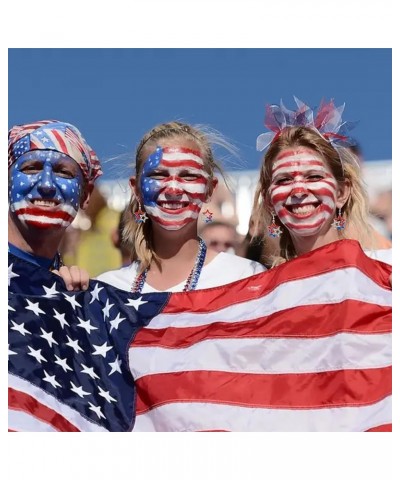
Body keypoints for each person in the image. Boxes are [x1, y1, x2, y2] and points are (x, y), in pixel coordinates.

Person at [96, 121, 266, 292]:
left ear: (209, 190)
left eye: (189, 176)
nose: (173, 189)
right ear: (136, 189)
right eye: (158, 175)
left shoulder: (246, 277)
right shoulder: (107, 291)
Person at [251, 97, 392, 266]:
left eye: (314, 177)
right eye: (284, 180)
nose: (299, 191)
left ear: (342, 192)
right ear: (269, 201)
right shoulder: (264, 288)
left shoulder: (386, 268)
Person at [8, 120, 102, 287]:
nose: (46, 184)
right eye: (31, 168)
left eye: (63, 172)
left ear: (85, 195)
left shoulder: (75, 294)